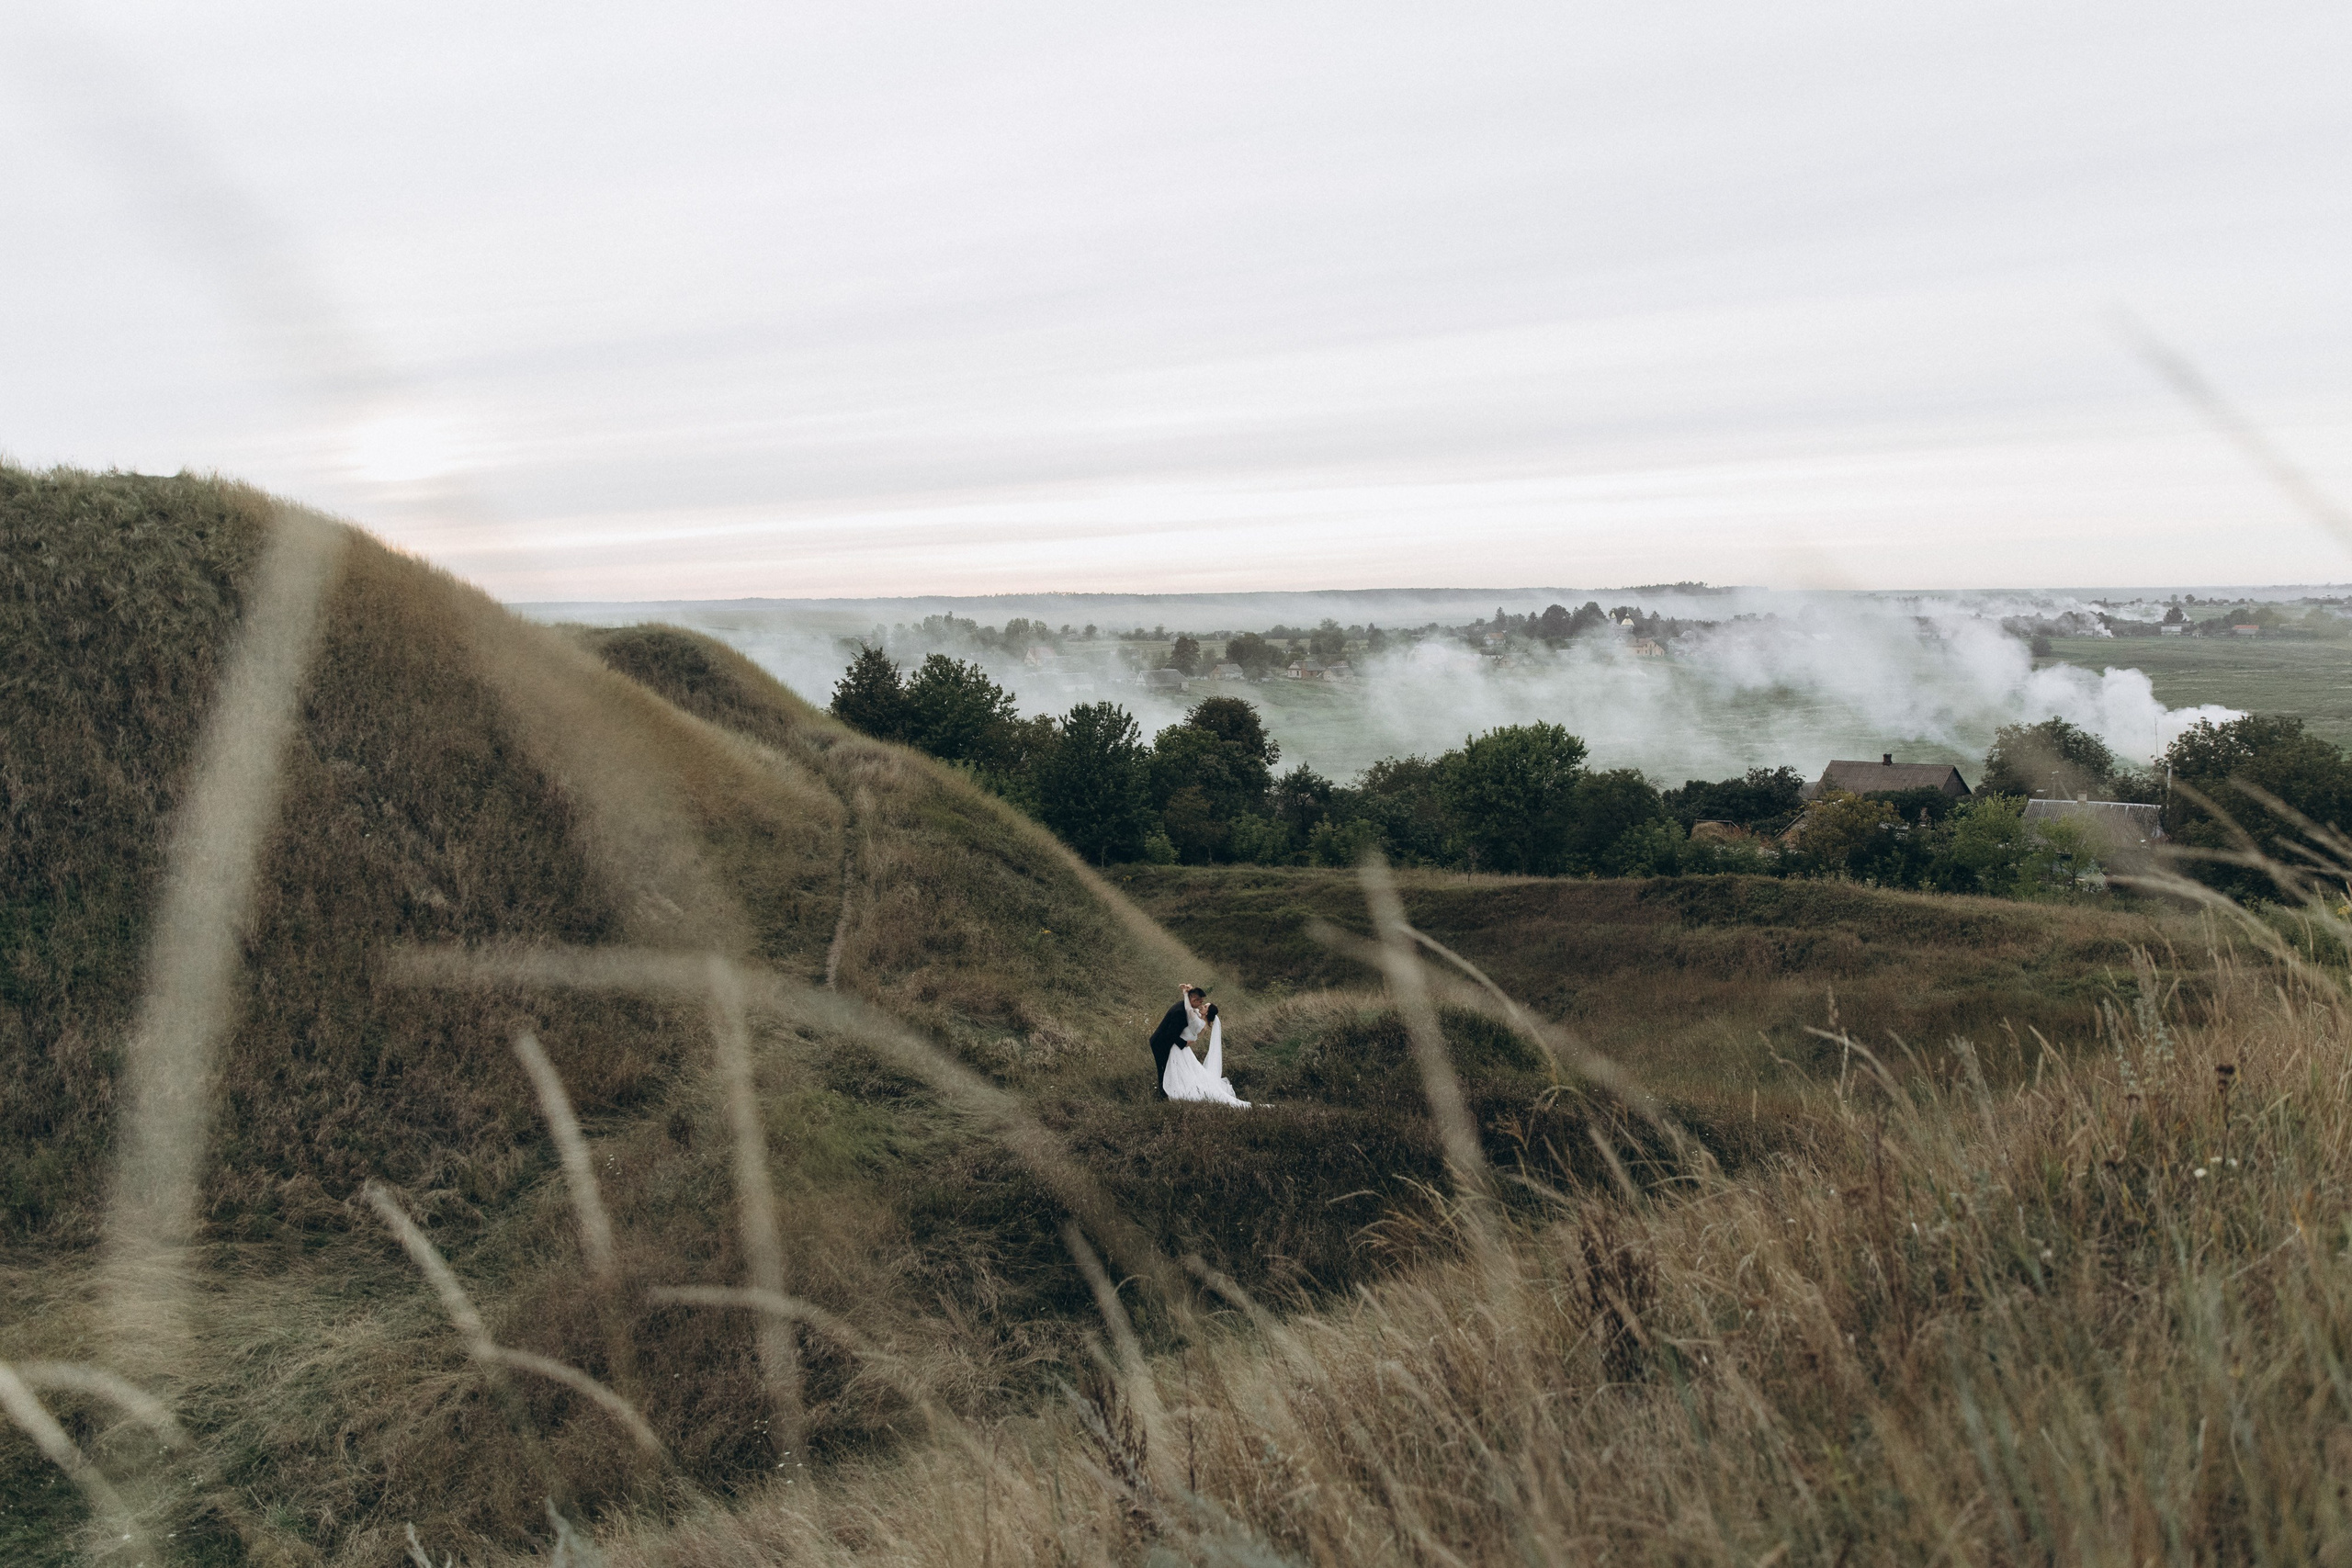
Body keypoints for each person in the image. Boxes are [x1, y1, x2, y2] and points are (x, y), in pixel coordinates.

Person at [1150, 985, 1250, 1108]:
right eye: (1201, 1002)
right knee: (1170, 1070)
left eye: (1204, 1005)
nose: (1201, 1005)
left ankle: (1166, 1094)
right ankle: (1164, 1093)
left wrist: (1185, 994)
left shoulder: (1198, 1022)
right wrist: (1188, 992)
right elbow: (1185, 1014)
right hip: (1167, 1044)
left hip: (1177, 1046)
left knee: (1171, 1070)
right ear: (1194, 999)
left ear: (1206, 1012)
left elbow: (1188, 1009)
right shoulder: (1191, 1014)